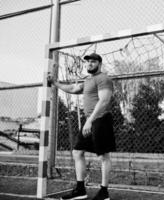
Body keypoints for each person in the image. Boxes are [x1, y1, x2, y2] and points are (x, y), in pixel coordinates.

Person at [48, 53, 116, 200]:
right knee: (77, 152)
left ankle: (104, 193)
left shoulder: (104, 78)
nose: (89, 64)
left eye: (93, 61)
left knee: (103, 156)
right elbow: (73, 88)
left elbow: (104, 101)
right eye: (88, 62)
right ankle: (80, 190)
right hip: (90, 120)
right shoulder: (88, 80)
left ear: (99, 64)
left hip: (101, 119)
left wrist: (90, 121)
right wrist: (55, 82)